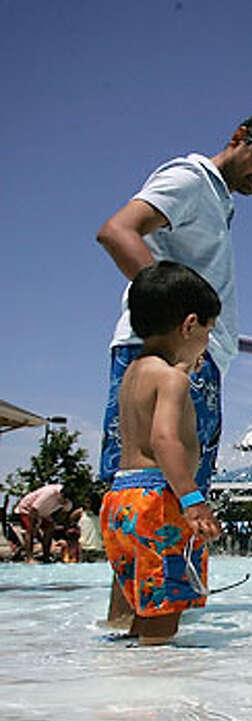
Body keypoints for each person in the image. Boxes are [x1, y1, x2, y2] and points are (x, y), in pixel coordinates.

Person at [96, 112, 252, 498]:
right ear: (240, 137)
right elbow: (117, 231)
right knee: (146, 491)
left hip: (194, 354)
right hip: (166, 350)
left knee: (185, 496)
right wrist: (176, 319)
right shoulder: (191, 179)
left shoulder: (219, 201)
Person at [99, 262, 223, 645]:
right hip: (159, 503)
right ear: (189, 326)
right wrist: (192, 499)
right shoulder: (172, 379)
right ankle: (156, 694)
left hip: (121, 501)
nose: (207, 340)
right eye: (208, 331)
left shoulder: (135, 373)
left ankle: (129, 684)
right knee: (165, 618)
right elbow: (164, 439)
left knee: (145, 611)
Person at [15, 483, 72, 562]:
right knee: (30, 530)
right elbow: (33, 509)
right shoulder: (49, 493)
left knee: (50, 528)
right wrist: (35, 526)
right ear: (60, 494)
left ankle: (46, 556)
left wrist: (54, 523)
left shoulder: (68, 503)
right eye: (63, 498)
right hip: (27, 509)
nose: (63, 501)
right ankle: (30, 557)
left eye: (66, 500)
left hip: (43, 513)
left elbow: (62, 514)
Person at [75, 493, 106, 563]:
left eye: (88, 502)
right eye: (85, 502)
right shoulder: (82, 514)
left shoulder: (102, 515)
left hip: (98, 550)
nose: (86, 505)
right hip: (84, 549)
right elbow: (71, 518)